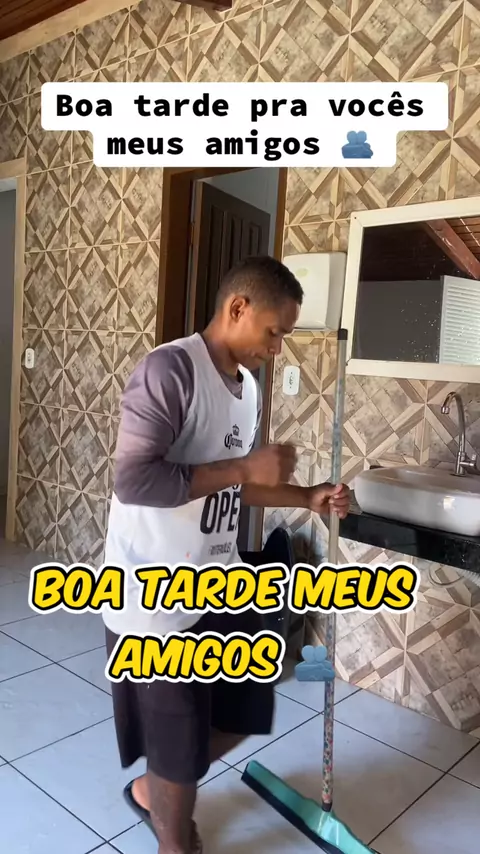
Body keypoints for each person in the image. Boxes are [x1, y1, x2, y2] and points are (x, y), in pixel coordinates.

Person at [102, 255, 350, 854]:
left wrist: (306, 496)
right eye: (274, 332)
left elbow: (239, 485)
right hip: (153, 599)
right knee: (178, 746)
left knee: (243, 710)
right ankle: (173, 831)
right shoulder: (169, 370)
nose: (277, 348)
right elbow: (133, 481)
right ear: (238, 307)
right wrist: (243, 467)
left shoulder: (249, 390)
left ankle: (158, 784)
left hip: (218, 583)